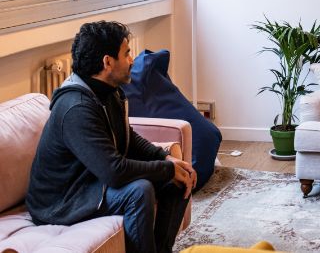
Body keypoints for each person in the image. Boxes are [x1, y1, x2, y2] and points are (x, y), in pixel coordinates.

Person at [26, 21, 196, 253]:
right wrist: (166, 169)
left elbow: (128, 138)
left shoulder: (109, 92)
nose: (131, 59)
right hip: (62, 201)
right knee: (140, 190)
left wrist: (166, 159)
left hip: (92, 180)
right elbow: (114, 172)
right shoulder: (76, 107)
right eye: (126, 53)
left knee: (180, 175)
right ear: (107, 62)